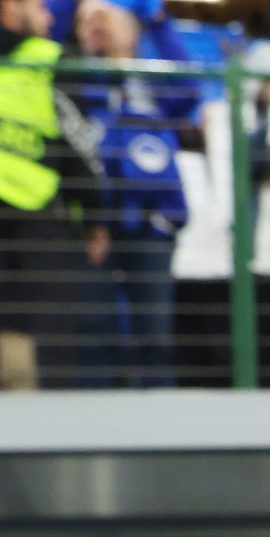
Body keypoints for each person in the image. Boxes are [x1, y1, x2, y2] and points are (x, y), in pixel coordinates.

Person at [62, 0, 181, 391]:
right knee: (93, 333)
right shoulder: (71, 80)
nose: (95, 27)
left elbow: (189, 90)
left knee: (154, 336)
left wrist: (158, 21)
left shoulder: (152, 80)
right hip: (92, 226)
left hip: (149, 225)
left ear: (132, 33)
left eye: (105, 19)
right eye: (85, 22)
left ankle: (160, 431)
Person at [0, 0, 104, 392]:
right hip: (38, 227)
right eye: (39, 6)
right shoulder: (49, 57)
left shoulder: (47, 55)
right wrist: (96, 216)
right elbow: (80, 149)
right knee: (50, 352)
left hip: (33, 223)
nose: (48, 16)